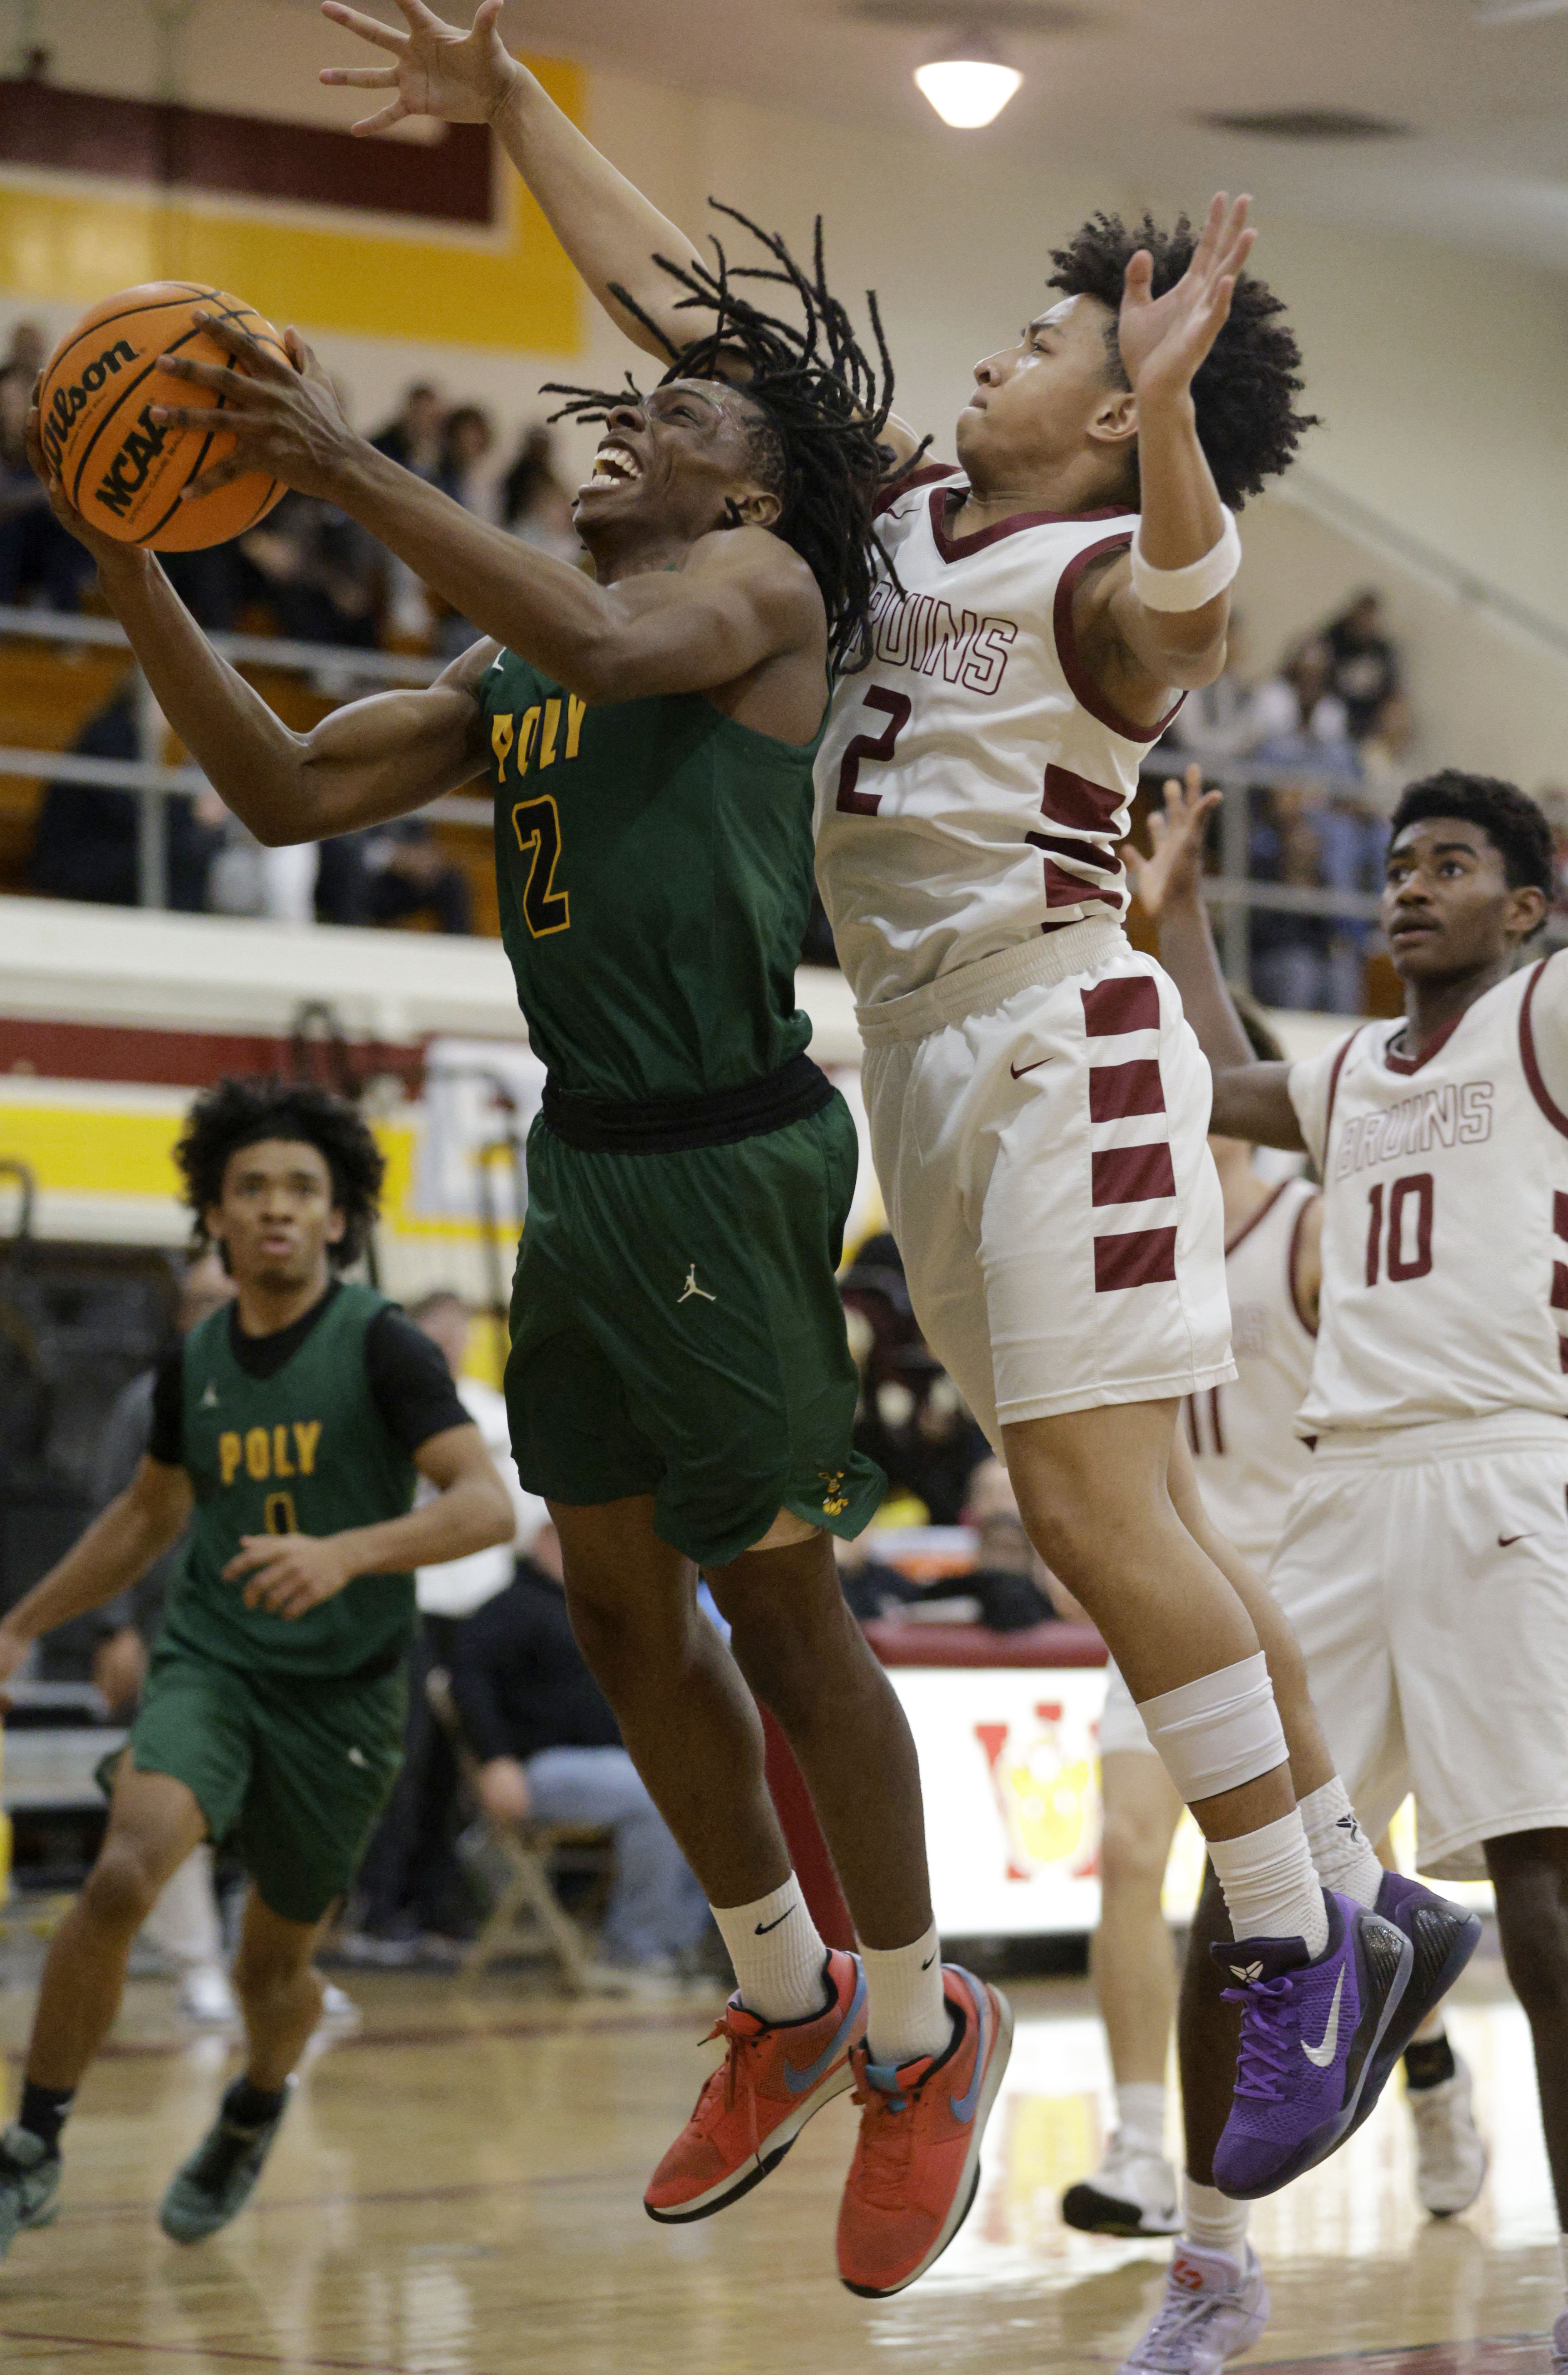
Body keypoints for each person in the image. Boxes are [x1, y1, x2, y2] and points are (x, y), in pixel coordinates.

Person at [387, 0, 1476, 2205]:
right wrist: (512, 107)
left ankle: (1302, 1937)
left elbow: (1197, 596)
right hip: (915, 1055)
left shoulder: (1091, 567)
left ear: (1108, 407)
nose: (988, 359)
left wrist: (1168, 418)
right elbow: (681, 307)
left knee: (1088, 1519)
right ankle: (1354, 1906)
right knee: (1125, 1520)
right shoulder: (885, 518)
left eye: (1039, 345)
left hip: (1060, 1023)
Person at [27, 180, 1001, 2303]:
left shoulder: (750, 590)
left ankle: (926, 2030)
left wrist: (338, 457)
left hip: (730, 1150)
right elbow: (286, 789)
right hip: (581, 1159)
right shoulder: (516, 640)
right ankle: (780, 1990)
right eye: (628, 406)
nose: (627, 428)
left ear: (757, 479)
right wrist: (132, 564)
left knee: (782, 1607)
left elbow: (609, 641)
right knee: (629, 1607)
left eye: (676, 409)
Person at [1118, 762, 1565, 2374]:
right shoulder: (1362, 1063)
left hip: (1506, 1462)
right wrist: (1174, 923)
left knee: (1543, 1890)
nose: (1406, 885)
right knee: (1242, 1878)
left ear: (1525, 906)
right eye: (1396, 864)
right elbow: (1220, 1077)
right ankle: (1210, 2262)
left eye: (1450, 863)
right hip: (1340, 1486)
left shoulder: (1543, 1016)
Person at [0, 1079, 515, 2258]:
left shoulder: (384, 1345)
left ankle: (254, 2106)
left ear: (336, 1218)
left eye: (300, 1189)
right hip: (214, 1660)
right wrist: (24, 1621)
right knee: (127, 1869)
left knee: (271, 1964)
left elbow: (483, 1506)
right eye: (251, 1190)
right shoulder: (197, 1362)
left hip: (341, 1694)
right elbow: (146, 1514)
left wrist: (349, 1551)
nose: (276, 1208)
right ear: (217, 1219)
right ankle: (32, 2141)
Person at [346, 1286, 538, 1959]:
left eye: (459, 1328)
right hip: (410, 1599)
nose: (450, 1340)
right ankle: (378, 1902)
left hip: (481, 1600)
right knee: (403, 1753)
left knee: (456, 1768)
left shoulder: (492, 1411)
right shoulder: (381, 1407)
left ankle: (438, 1901)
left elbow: (521, 1507)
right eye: (437, 1328)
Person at [451, 1514, 710, 1974]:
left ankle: (679, 1941)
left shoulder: (592, 1611)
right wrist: (494, 1760)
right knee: (661, 1796)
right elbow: (467, 1682)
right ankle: (637, 1947)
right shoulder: (509, 1608)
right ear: (543, 1540)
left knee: (714, 1790)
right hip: (540, 1767)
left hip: (608, 1760)